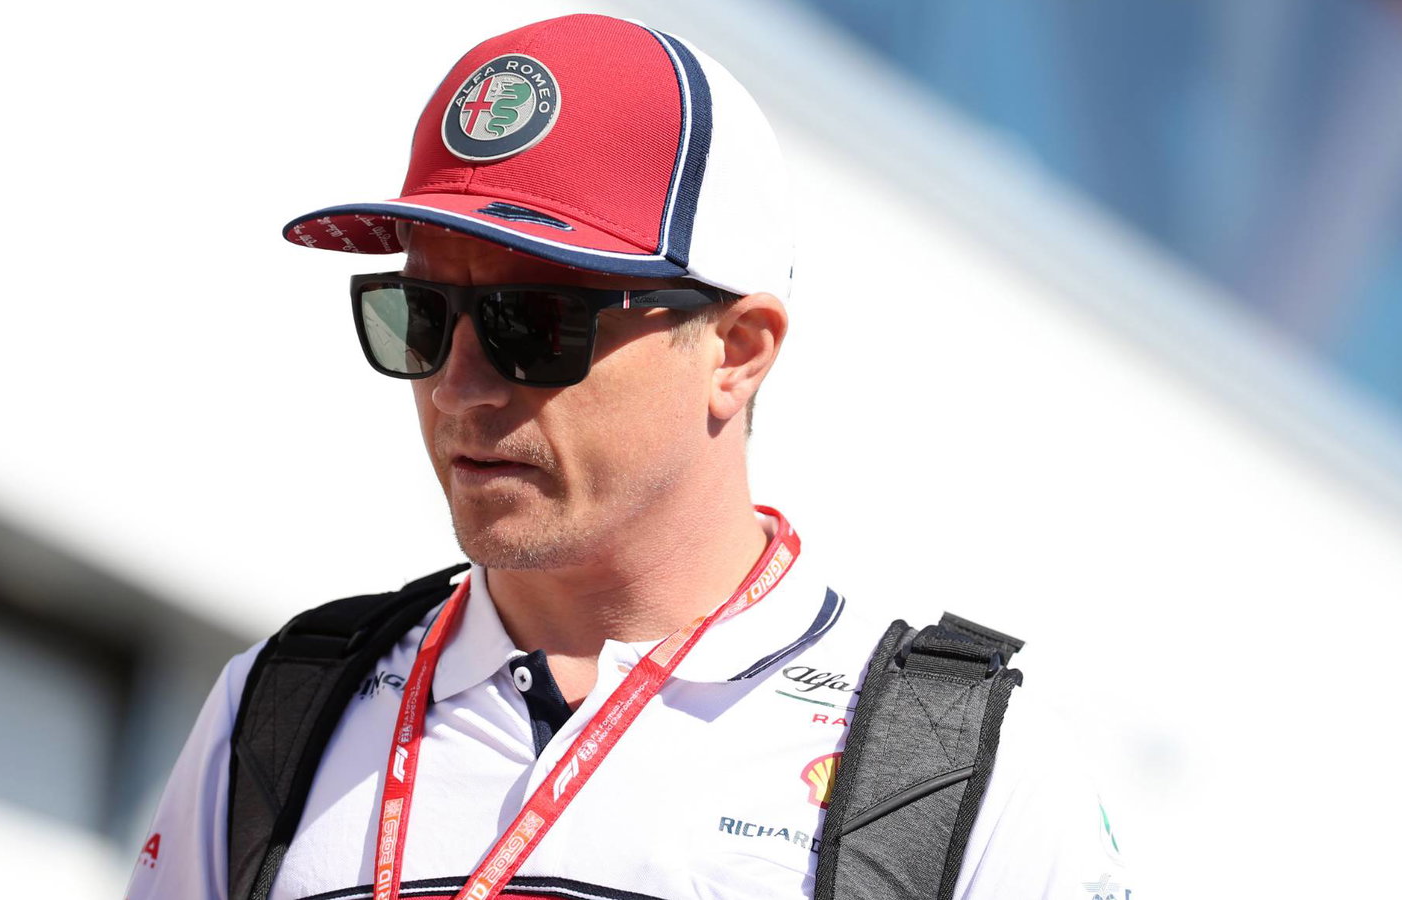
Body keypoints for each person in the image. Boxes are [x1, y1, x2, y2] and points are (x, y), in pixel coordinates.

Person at [127, 13, 1133, 900]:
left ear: (735, 352)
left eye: (532, 322)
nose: (459, 387)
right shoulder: (279, 706)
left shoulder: (963, 773)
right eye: (420, 315)